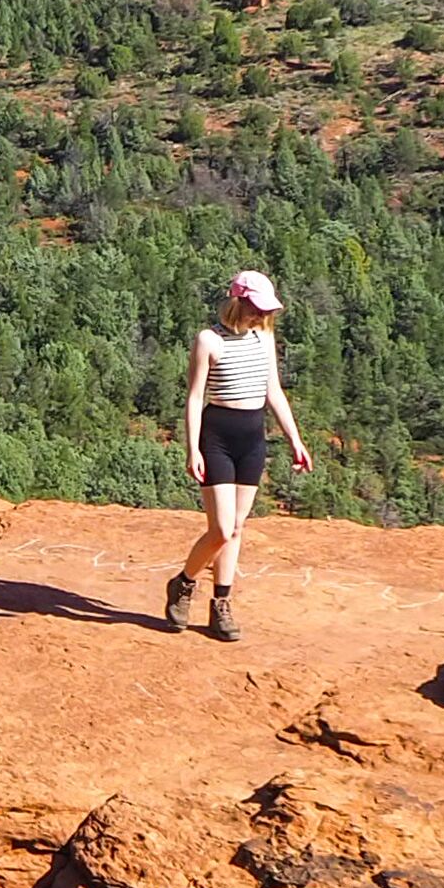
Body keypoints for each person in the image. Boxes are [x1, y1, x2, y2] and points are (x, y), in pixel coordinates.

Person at [165, 269, 311, 643]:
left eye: (264, 311)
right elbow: (195, 398)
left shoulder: (264, 338)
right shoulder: (208, 340)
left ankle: (221, 603)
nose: (260, 316)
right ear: (237, 301)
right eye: (255, 308)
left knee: (238, 528)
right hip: (216, 437)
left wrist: (294, 438)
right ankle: (183, 583)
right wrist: (192, 448)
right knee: (221, 529)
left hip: (252, 438)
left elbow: (273, 391)